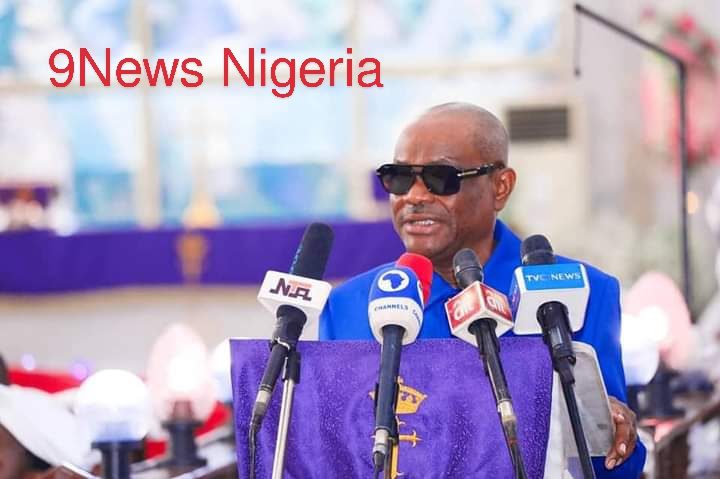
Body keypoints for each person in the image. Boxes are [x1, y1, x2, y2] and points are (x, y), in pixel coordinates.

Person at [320, 102, 646, 477]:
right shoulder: (347, 307)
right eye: (399, 178)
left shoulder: (581, 293)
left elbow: (611, 467)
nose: (414, 196)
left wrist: (614, 432)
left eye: (440, 177)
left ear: (500, 187)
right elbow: (329, 452)